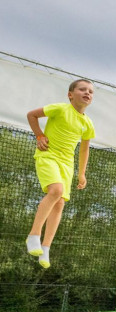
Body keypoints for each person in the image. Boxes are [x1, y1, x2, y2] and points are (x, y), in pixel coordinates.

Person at [25, 79, 96, 269]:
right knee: (56, 190)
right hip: (48, 155)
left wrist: (82, 173)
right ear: (70, 94)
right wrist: (39, 135)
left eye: (90, 91)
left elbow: (84, 149)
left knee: (59, 203)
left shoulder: (88, 123)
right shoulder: (60, 109)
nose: (87, 93)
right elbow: (32, 115)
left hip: (67, 164)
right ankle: (34, 235)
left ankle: (46, 247)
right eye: (82, 89)